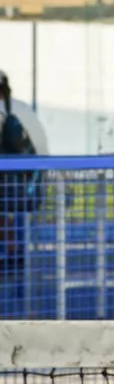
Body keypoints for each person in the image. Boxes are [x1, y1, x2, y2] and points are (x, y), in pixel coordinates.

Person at [0, 71, 42, 273]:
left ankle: (13, 255)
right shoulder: (20, 110)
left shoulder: (8, 114)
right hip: (28, 186)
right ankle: (14, 255)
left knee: (5, 215)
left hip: (13, 188)